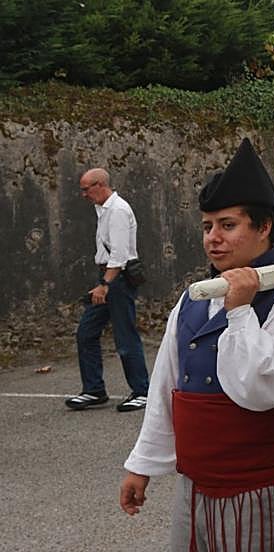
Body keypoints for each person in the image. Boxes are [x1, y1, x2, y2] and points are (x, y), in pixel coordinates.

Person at [120, 138, 274, 551]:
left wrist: (240, 311)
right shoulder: (193, 298)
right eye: (207, 226)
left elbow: (262, 389)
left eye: (228, 225)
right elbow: (167, 387)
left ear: (263, 226)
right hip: (195, 484)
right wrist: (141, 465)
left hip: (259, 487)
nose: (213, 238)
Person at [67, 168, 150, 413]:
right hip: (106, 276)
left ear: (100, 184)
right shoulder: (103, 209)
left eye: (86, 189)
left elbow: (120, 255)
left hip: (118, 279)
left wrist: (105, 285)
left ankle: (142, 391)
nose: (83, 195)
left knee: (125, 337)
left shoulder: (118, 211)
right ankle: (94, 390)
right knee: (86, 332)